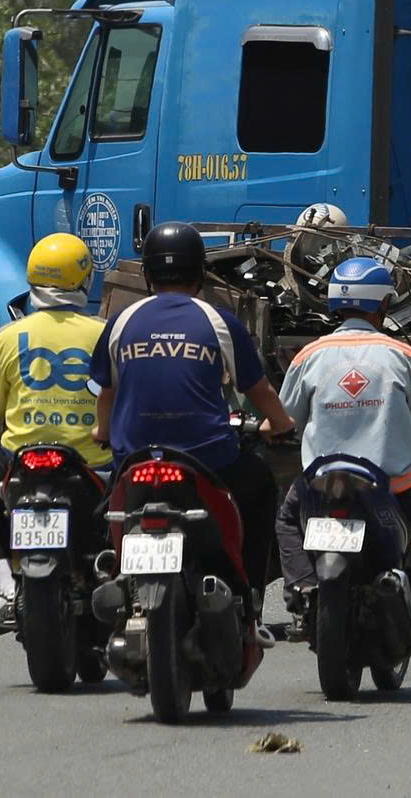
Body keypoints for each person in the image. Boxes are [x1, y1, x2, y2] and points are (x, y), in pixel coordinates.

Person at [93, 220, 296, 621]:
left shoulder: (122, 321)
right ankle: (250, 596)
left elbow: (107, 393)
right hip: (207, 460)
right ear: (200, 274)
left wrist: (103, 431)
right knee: (259, 489)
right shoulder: (219, 321)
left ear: (147, 275)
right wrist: (281, 425)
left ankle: (107, 575)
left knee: (101, 510)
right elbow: (261, 393)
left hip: (135, 458)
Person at [274, 257, 411, 642]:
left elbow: (284, 419)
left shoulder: (308, 356)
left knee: (287, 519)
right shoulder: (405, 357)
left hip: (323, 486)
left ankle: (303, 588)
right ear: (383, 305)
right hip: (395, 487)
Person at [0, 233, 115, 631]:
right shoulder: (103, 334)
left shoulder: (8, 337)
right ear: (85, 281)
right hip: (94, 462)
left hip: (22, 458)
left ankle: (5, 588)